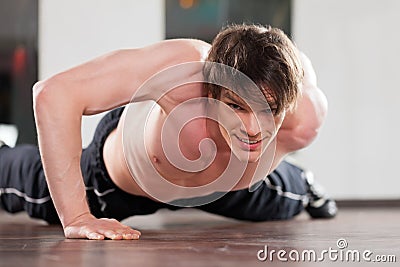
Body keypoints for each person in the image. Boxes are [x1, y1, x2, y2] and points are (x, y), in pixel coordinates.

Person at [0, 24, 337, 240]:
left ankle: (304, 181)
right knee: (28, 185)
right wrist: (77, 216)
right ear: (212, 87)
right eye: (236, 106)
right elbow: (53, 94)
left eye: (270, 110)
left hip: (227, 187)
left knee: (287, 198)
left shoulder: (304, 117)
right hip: (121, 181)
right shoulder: (184, 71)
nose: (252, 128)